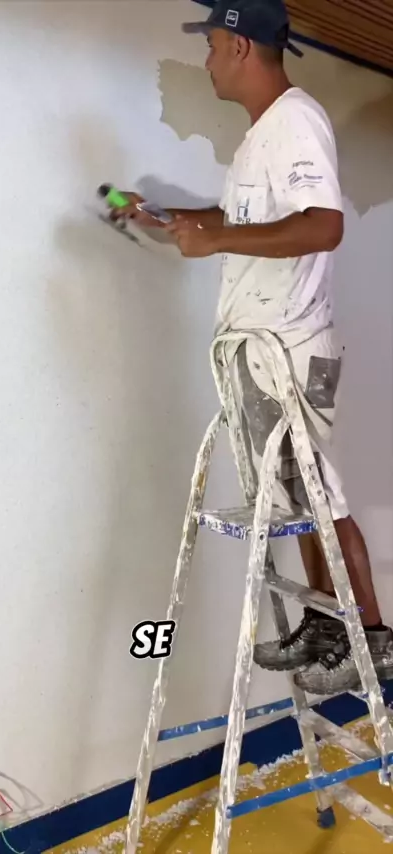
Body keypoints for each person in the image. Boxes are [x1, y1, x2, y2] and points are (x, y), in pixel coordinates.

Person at [110, 0, 393, 695]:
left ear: (240, 46)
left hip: (292, 344)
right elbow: (239, 220)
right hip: (266, 346)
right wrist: (165, 218)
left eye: (211, 45)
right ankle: (329, 623)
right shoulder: (261, 136)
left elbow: (324, 226)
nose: (207, 61)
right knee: (299, 493)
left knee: (319, 489)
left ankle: (374, 637)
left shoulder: (296, 120)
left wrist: (216, 240)